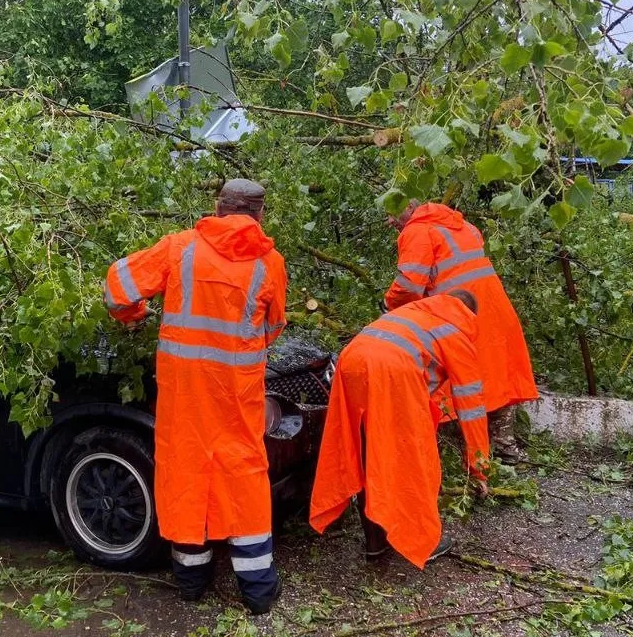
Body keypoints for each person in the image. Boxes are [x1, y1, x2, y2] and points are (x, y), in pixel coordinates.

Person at [102, 179, 288, 615]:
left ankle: (191, 582)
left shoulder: (179, 248)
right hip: (237, 390)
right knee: (243, 473)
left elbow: (117, 289)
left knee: (185, 468)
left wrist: (133, 316)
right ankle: (258, 590)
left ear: (216, 207)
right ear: (260, 215)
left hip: (184, 388)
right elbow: (272, 327)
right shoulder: (270, 264)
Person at [309, 291, 490, 567]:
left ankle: (376, 543)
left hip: (352, 360)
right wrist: (479, 466)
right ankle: (419, 539)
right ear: (469, 314)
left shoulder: (412, 314)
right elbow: (472, 408)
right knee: (412, 458)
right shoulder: (456, 331)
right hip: (391, 372)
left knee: (365, 449)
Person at [384, 201, 538, 464]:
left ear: (408, 207)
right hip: (493, 308)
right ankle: (502, 445)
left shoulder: (417, 231)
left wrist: (389, 306)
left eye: (390, 213)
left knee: (447, 374)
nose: (389, 222)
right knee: (497, 372)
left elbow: (409, 286)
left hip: (459, 311)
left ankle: (444, 446)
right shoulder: (460, 224)